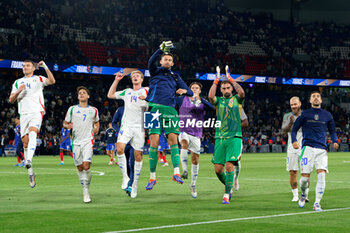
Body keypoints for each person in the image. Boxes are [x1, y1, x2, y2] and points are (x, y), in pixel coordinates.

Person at [145, 41, 194, 190]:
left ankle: (176, 173)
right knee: (153, 143)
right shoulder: (155, 71)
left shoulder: (176, 77)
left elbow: (190, 92)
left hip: (171, 110)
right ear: (161, 61)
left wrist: (184, 91)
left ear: (172, 63)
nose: (167, 61)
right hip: (154, 109)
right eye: (165, 59)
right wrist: (160, 49)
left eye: (169, 60)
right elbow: (150, 62)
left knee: (173, 141)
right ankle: (152, 177)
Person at [9, 60, 55, 188]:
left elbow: (52, 81)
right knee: (25, 142)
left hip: (36, 111)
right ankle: (31, 173)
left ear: (34, 68)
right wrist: (19, 91)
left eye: (27, 65)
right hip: (23, 114)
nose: (25, 67)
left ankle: (28, 159)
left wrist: (45, 66)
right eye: (23, 66)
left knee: (33, 132)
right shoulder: (17, 82)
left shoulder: (38, 79)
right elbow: (11, 99)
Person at [292, 91, 338, 211]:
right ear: (310, 100)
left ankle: (317, 203)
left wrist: (335, 141)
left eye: (318, 96)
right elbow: (294, 129)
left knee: (322, 175)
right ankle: (303, 194)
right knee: (304, 179)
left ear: (321, 100)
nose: (316, 98)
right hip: (307, 148)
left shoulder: (327, 115)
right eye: (313, 97)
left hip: (322, 149)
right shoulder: (305, 114)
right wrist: (294, 141)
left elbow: (332, 130)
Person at [107, 70, 148, 198]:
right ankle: (125, 177)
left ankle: (134, 184)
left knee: (138, 156)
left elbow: (158, 98)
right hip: (127, 126)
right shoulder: (127, 92)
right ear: (131, 80)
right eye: (133, 76)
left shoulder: (147, 90)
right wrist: (117, 80)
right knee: (119, 148)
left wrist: (148, 98)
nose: (135, 77)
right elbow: (110, 95)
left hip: (140, 127)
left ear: (142, 79)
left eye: (138, 76)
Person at [208, 66, 245, 204]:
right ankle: (228, 186)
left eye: (228, 88)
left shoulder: (237, 99)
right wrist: (216, 80)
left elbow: (242, 93)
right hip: (220, 137)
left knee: (229, 166)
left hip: (234, 137)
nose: (226, 90)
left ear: (231, 89)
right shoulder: (218, 101)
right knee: (218, 170)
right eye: (224, 89)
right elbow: (211, 97)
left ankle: (226, 194)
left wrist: (231, 79)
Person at [177, 82, 215, 198]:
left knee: (195, 160)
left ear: (199, 90)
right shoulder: (182, 99)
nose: (194, 89)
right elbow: (170, 103)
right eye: (192, 88)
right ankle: (184, 171)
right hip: (183, 130)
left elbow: (213, 108)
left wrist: (200, 100)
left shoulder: (202, 102)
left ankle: (193, 185)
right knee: (184, 143)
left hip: (197, 133)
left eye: (196, 88)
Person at [63, 86, 99, 203]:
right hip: (76, 141)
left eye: (84, 93)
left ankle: (86, 191)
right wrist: (66, 126)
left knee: (86, 166)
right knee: (79, 167)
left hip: (88, 140)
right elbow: (65, 122)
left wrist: (96, 128)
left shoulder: (93, 110)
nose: (81, 94)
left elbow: (96, 122)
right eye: (80, 93)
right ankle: (84, 187)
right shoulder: (72, 109)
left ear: (88, 96)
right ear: (77, 96)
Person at [281, 97, 308, 202]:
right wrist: (291, 123)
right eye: (292, 105)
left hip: (305, 145)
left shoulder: (306, 115)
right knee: (292, 172)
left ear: (300, 104)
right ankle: (295, 195)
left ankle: (305, 195)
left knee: (306, 172)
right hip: (292, 146)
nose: (293, 106)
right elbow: (284, 131)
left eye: (295, 104)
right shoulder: (287, 116)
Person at [112, 106, 134, 195]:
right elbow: (114, 123)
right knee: (126, 165)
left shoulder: (137, 108)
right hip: (123, 141)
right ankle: (127, 180)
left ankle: (131, 185)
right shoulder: (120, 110)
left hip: (134, 141)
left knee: (133, 163)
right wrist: (120, 130)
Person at [233, 106, 249, 191]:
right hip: (224, 138)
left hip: (236, 138)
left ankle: (235, 178)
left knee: (236, 161)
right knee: (226, 162)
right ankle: (228, 185)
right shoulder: (221, 107)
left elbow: (246, 122)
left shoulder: (238, 108)